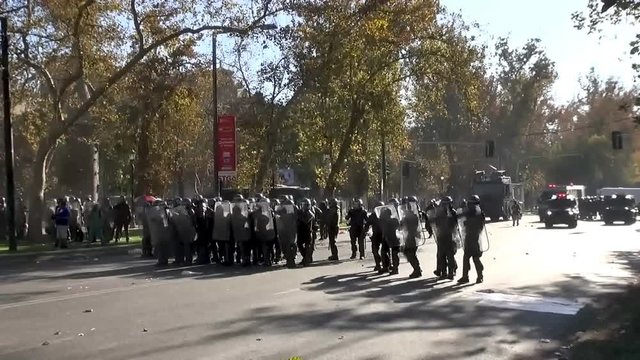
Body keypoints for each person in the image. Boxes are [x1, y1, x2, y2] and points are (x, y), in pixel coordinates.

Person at [458, 195, 485, 284]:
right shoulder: (471, 213)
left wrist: (468, 223)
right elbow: (461, 217)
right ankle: (465, 276)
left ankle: (479, 276)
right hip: (469, 237)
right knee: (466, 258)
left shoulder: (479, 214)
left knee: (475, 258)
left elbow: (479, 226)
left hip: (475, 238)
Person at [435, 196, 458, 280]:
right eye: (444, 204)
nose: (445, 206)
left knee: (450, 256)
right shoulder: (440, 213)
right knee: (441, 256)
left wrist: (449, 213)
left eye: (447, 204)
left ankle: (451, 272)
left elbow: (454, 224)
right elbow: (437, 224)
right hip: (441, 236)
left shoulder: (453, 212)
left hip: (450, 237)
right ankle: (443, 273)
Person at [401, 196, 422, 278]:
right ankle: (417, 268)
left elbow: (412, 226)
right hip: (410, 236)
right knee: (409, 252)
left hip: (412, 236)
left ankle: (417, 269)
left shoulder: (413, 215)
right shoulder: (409, 214)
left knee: (410, 253)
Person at [366, 200, 384, 271]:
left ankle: (387, 265)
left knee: (385, 251)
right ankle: (378, 264)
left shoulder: (387, 214)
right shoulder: (373, 216)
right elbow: (367, 224)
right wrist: (365, 231)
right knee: (374, 251)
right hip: (376, 234)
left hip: (384, 234)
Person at [297, 198, 315, 266]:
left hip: (307, 232)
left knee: (308, 247)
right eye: (302, 205)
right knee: (299, 244)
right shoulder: (301, 212)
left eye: (305, 205)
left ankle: (307, 259)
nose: (303, 206)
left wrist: (299, 216)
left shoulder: (310, 213)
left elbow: (305, 220)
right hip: (301, 231)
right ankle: (305, 258)